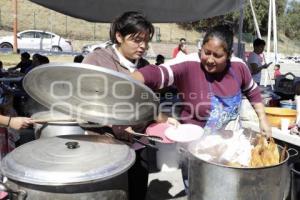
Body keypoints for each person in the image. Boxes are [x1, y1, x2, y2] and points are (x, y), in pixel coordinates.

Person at [132, 25, 271, 136]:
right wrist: (130, 81)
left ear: (229, 55)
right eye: (206, 52)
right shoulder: (189, 64)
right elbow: (154, 73)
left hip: (229, 142)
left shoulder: (239, 66)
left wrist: (263, 119)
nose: (210, 60)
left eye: (217, 55)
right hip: (195, 145)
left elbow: (252, 91)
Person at [83, 11, 154, 200]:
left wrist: (155, 121)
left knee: (137, 192)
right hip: (104, 145)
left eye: (146, 40)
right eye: (136, 40)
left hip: (138, 144)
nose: (143, 46)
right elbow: (83, 103)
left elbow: (148, 102)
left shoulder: (145, 65)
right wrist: (117, 125)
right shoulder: (97, 60)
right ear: (119, 36)